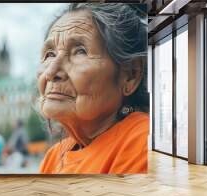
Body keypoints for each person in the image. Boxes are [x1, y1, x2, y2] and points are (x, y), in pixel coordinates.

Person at [38, 3, 149, 174]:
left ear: (130, 75)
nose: (51, 72)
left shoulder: (142, 141)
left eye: (80, 51)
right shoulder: (53, 157)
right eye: (50, 54)